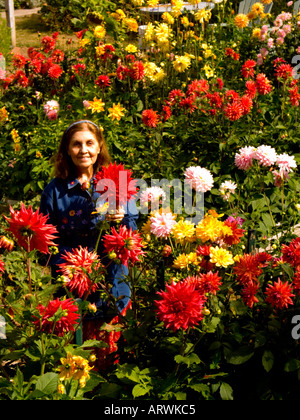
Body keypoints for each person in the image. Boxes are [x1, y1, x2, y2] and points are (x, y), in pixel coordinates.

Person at [39, 119, 138, 369]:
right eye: (76, 144)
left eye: (89, 143)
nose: (83, 150)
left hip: (112, 286)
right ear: (66, 150)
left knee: (111, 367)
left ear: (99, 147)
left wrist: (122, 219)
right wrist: (72, 265)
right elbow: (45, 244)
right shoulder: (55, 192)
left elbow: (133, 235)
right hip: (73, 291)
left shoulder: (117, 180)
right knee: (73, 366)